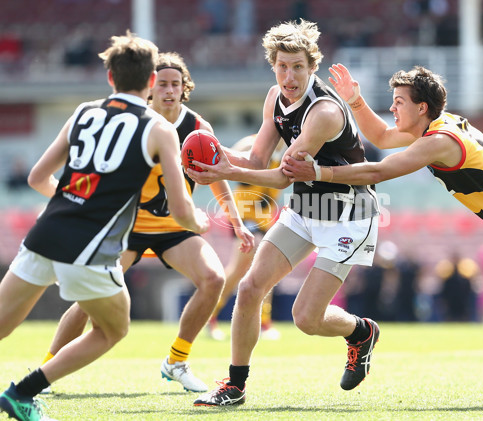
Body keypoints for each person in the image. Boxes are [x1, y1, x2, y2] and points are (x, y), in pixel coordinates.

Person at [282, 63, 483, 406]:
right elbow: (383, 138)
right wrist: (357, 102)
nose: (392, 108)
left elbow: (379, 169)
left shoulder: (438, 141)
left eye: (398, 102)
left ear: (421, 108)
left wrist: (317, 171)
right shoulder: (440, 125)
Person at [0, 31, 208, 421]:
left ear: (110, 77)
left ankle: (22, 394)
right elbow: (181, 212)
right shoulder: (159, 128)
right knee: (112, 330)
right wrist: (201, 222)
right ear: (150, 82)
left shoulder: (83, 112)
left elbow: (36, 179)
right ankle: (22, 394)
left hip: (45, 233)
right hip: (92, 247)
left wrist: (74, 204)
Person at [186, 20, 381, 406]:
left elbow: (279, 177)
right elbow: (257, 157)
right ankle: (234, 387)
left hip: (349, 213)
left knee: (306, 318)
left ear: (313, 68)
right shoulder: (275, 97)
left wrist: (227, 171)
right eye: (282, 66)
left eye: (297, 67)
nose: (289, 76)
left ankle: (361, 332)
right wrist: (212, 153)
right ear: (272, 66)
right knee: (249, 287)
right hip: (307, 208)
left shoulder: (323, 111)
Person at [36, 51, 254, 394]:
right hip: (126, 228)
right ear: (150, 86)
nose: (169, 90)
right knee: (87, 301)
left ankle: (176, 361)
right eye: (162, 83)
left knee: (213, 279)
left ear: (185, 89)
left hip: (175, 227)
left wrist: (236, 221)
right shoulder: (137, 122)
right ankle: (46, 369)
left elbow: (217, 175)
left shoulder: (197, 127)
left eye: (176, 84)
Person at [207, 134, 284, 342]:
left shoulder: (290, 148)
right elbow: (224, 164)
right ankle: (208, 316)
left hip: (264, 219)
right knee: (240, 269)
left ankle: (264, 323)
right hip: (244, 217)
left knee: (268, 269)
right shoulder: (252, 144)